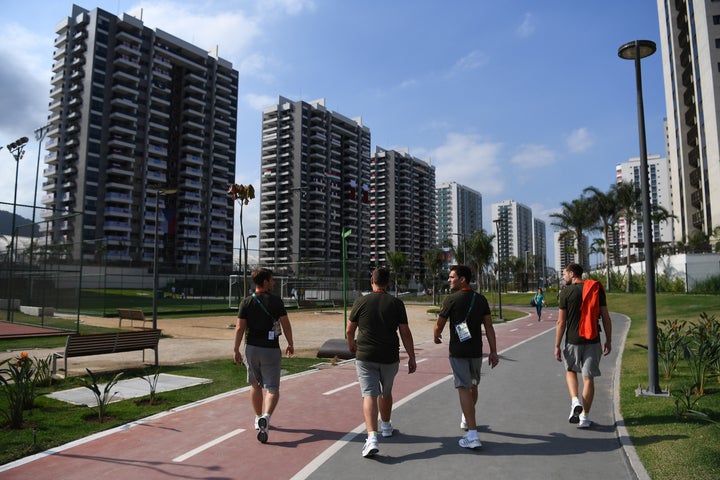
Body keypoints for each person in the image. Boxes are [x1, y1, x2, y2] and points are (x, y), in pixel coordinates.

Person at [347, 267, 417, 458]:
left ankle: (371, 438)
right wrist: (411, 356)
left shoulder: (360, 301)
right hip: (389, 357)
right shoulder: (396, 303)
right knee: (385, 392)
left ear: (372, 281)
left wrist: (351, 345)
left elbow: (349, 330)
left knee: (369, 394)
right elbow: (405, 332)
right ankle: (386, 426)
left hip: (365, 355)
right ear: (388, 283)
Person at [433, 265, 499, 449]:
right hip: (477, 351)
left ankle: (472, 434)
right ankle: (467, 416)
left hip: (458, 351)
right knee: (473, 385)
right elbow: (489, 328)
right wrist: (494, 352)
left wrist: (436, 335)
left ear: (462, 279)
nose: (449, 279)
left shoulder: (451, 299)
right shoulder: (481, 299)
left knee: (463, 387)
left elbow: (439, 324)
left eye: (452, 276)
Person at [234, 268, 295, 443]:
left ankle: (258, 416)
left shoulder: (246, 302)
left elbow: (240, 328)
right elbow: (286, 325)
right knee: (273, 389)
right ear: (265, 282)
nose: (274, 282)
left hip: (251, 348)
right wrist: (290, 343)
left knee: (255, 385)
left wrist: (236, 349)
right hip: (270, 349)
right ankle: (267, 417)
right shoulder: (276, 302)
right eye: (272, 280)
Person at [554, 263, 612, 429]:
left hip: (573, 341)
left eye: (564, 274)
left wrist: (557, 345)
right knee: (588, 378)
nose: (563, 277)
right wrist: (608, 339)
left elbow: (561, 322)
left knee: (571, 371)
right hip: (593, 339)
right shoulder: (596, 288)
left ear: (572, 274)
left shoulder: (566, 292)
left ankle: (575, 401)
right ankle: (585, 417)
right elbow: (606, 317)